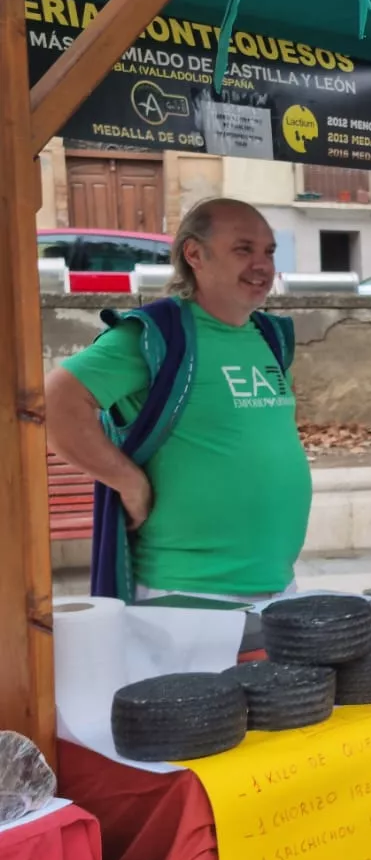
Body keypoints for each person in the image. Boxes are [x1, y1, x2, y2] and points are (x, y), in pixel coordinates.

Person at [44, 198, 309, 603]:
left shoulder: (271, 338)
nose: (262, 265)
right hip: (186, 594)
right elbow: (55, 402)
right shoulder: (156, 336)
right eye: (243, 249)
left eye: (269, 252)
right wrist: (127, 480)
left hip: (277, 585)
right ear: (194, 254)